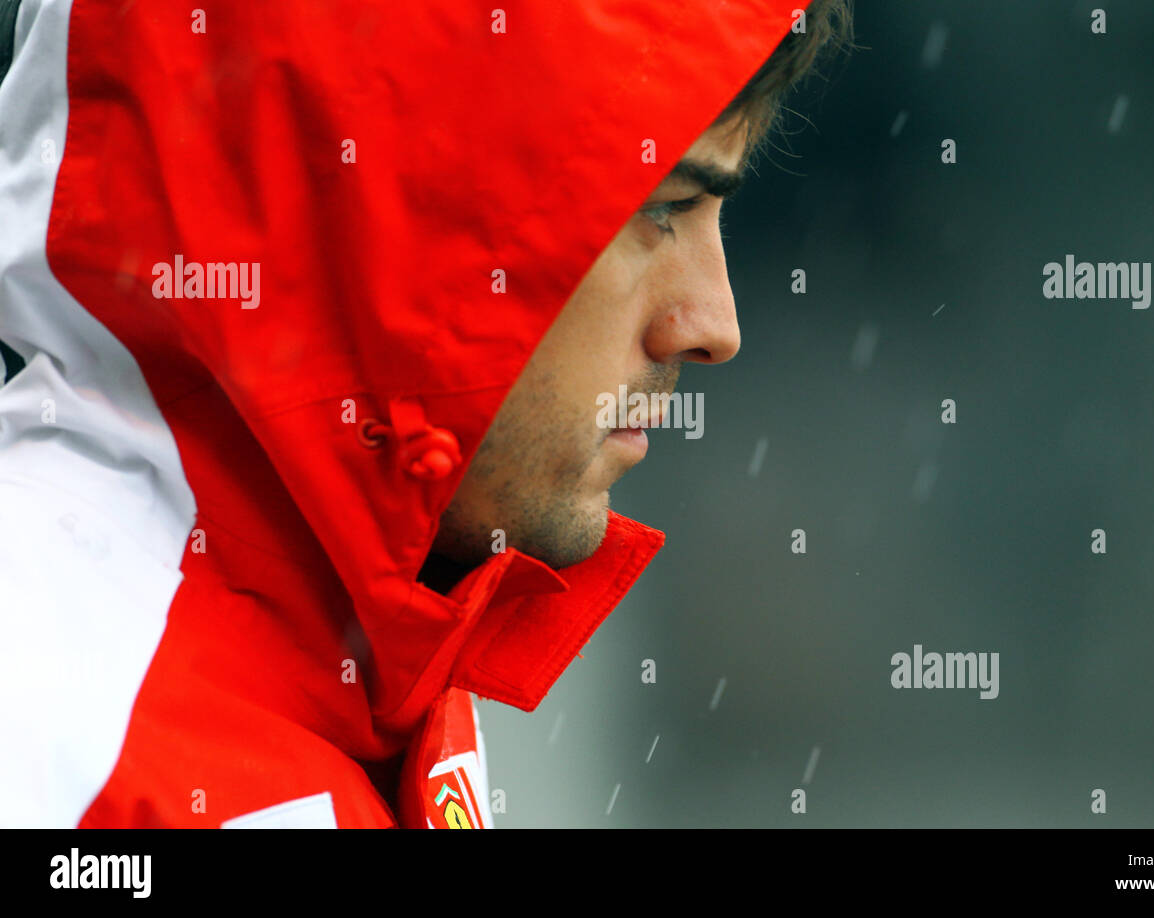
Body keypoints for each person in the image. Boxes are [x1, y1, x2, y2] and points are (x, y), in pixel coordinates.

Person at [0, 0, 852, 827]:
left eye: (713, 211)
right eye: (659, 206)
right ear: (387, 213)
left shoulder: (382, 665)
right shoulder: (57, 740)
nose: (714, 326)